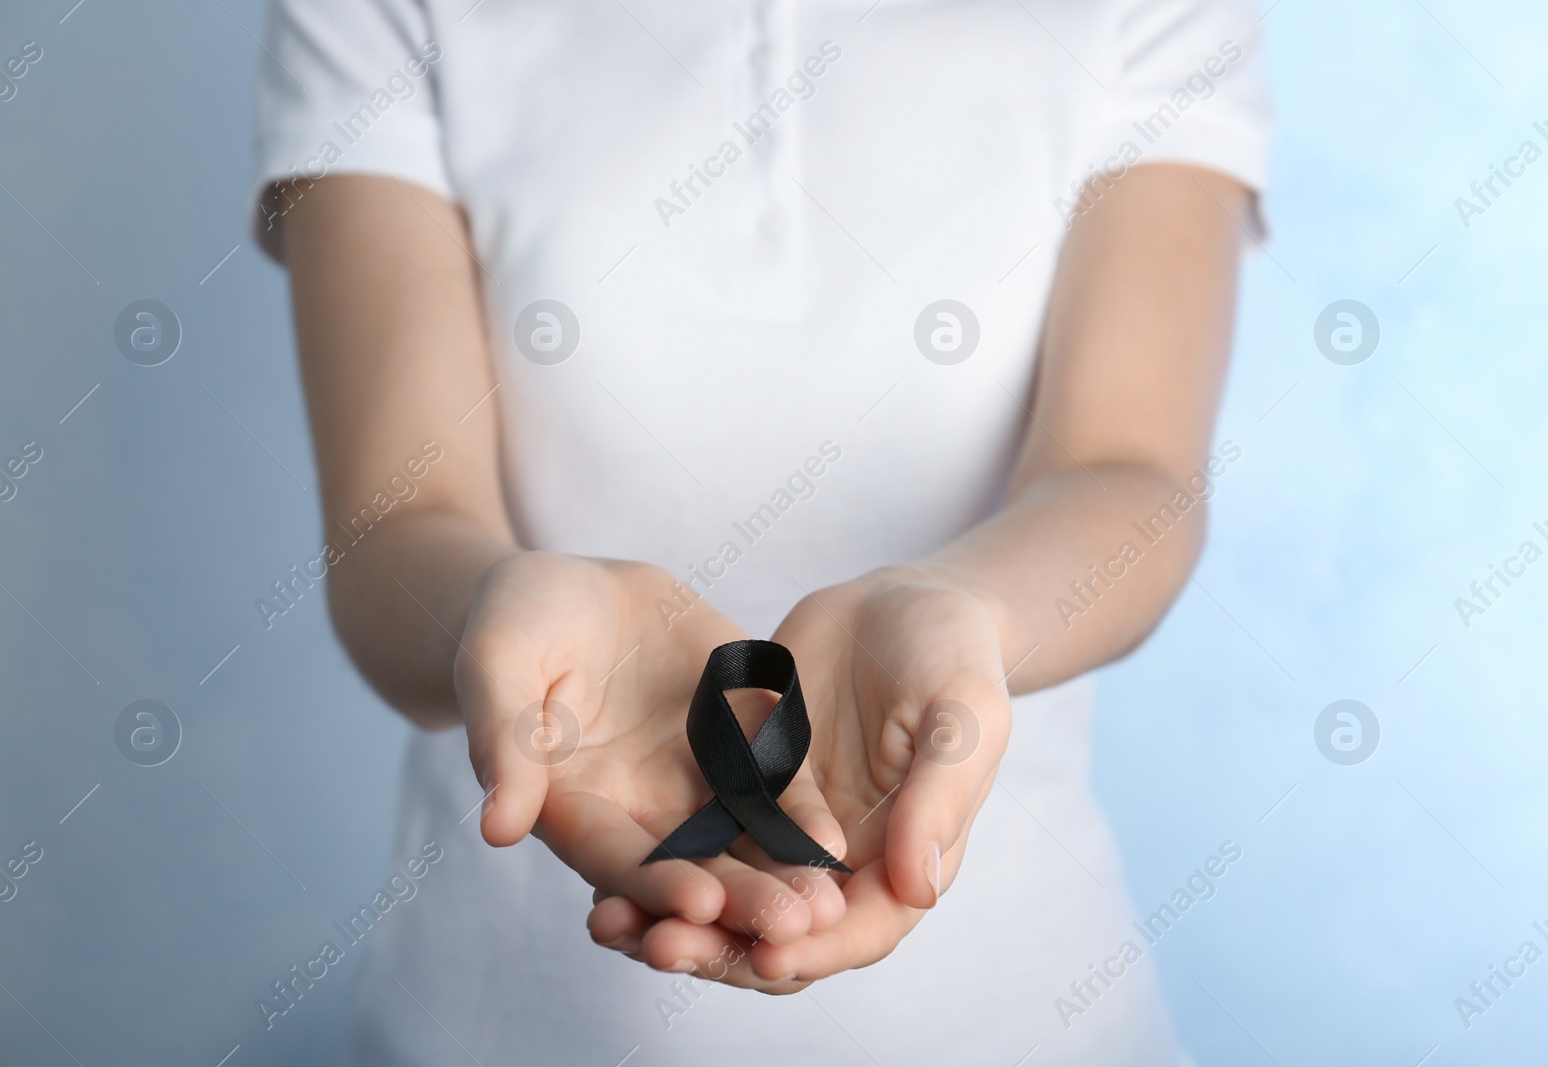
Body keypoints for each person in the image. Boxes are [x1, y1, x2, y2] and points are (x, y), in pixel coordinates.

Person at [254, 0, 1269, 1062]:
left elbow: (1130, 472)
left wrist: (959, 612)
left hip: (1023, 1016)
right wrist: (492, 615)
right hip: (492, 1015)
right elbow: (395, 525)